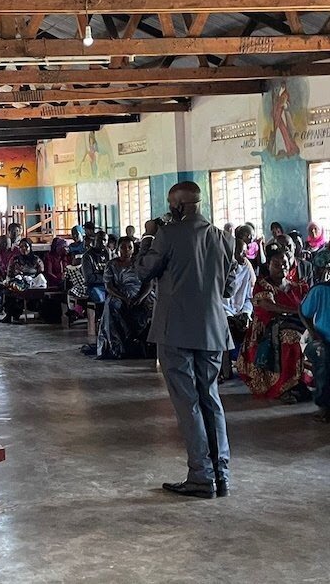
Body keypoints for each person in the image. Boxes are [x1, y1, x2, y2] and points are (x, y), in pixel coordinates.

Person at [135, 181, 236, 500]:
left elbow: (143, 271)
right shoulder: (222, 237)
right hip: (213, 329)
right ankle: (221, 475)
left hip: (175, 329)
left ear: (178, 206)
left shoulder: (167, 234)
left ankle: (201, 476)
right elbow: (228, 288)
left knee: (187, 401)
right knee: (211, 398)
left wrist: (148, 236)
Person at [236, 250, 310, 403]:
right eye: (276, 264)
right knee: (292, 338)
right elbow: (269, 306)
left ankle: (300, 382)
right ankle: (283, 387)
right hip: (266, 329)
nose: (281, 267)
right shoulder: (263, 285)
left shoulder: (298, 287)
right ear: (268, 265)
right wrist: (296, 311)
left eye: (284, 263)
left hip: (296, 324)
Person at [96, 237, 154, 359]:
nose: (126, 250)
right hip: (119, 294)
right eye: (123, 247)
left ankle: (149, 345)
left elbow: (149, 283)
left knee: (152, 306)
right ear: (118, 249)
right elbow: (109, 286)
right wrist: (123, 297)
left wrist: (141, 297)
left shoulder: (139, 263)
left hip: (140, 293)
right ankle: (117, 346)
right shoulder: (112, 264)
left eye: (129, 247)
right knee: (112, 306)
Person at [221, 238, 256, 381]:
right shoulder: (220, 271)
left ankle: (250, 368)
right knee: (226, 327)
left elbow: (249, 297)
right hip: (224, 312)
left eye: (244, 252)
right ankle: (225, 369)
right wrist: (229, 315)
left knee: (252, 327)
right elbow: (219, 300)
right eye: (240, 252)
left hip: (241, 312)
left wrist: (246, 313)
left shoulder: (247, 269)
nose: (244, 256)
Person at [300, 278, 330, 421]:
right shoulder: (320, 290)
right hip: (322, 341)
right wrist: (313, 333)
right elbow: (303, 312)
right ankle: (324, 406)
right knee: (322, 356)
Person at [0, 237, 46, 324]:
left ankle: (40, 313)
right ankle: (10, 314)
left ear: (30, 247)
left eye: (26, 246)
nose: (23, 249)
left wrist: (31, 279)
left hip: (32, 283)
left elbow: (41, 274)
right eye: (21, 247)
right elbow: (9, 274)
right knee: (9, 289)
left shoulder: (36, 260)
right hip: (18, 282)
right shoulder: (15, 260)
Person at [81, 231, 110, 304]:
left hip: (108, 286)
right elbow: (89, 278)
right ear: (95, 240)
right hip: (94, 286)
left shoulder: (108, 253)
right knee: (101, 299)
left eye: (105, 240)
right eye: (100, 239)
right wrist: (106, 278)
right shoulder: (87, 256)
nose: (102, 242)